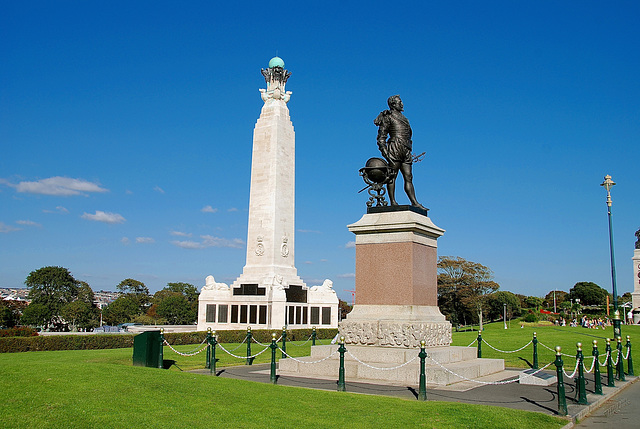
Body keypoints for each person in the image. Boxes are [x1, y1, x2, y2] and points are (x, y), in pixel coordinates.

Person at [374, 95, 425, 209]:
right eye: (399, 102)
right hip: (394, 148)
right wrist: (385, 152)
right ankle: (393, 201)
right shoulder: (388, 117)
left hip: (405, 148)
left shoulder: (405, 119)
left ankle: (414, 202)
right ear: (393, 104)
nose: (402, 104)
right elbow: (381, 137)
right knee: (392, 176)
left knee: (409, 177)